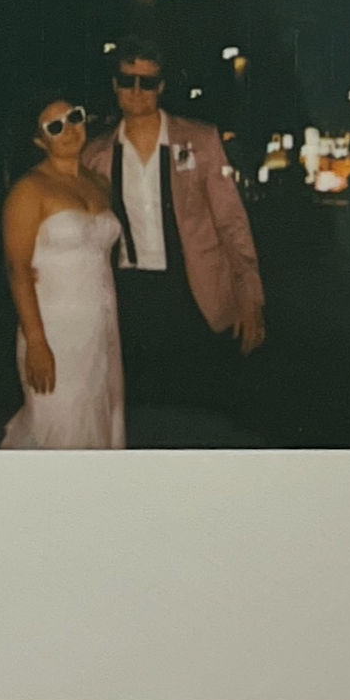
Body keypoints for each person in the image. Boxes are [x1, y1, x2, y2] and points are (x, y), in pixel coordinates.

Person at [82, 37, 265, 418]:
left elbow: (231, 222)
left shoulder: (200, 140)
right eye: (127, 80)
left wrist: (250, 296)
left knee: (197, 407)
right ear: (115, 84)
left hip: (193, 290)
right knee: (142, 411)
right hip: (129, 295)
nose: (136, 91)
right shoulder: (96, 154)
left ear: (161, 87)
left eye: (147, 82)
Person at [0, 96, 125, 449]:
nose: (68, 130)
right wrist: (37, 342)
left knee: (99, 418)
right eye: (55, 127)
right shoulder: (29, 190)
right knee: (57, 426)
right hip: (53, 330)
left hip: (100, 327)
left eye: (74, 117)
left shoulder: (99, 184)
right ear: (41, 141)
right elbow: (18, 270)